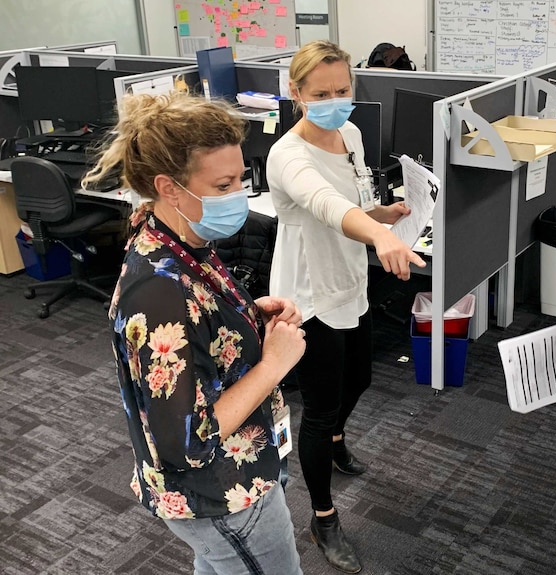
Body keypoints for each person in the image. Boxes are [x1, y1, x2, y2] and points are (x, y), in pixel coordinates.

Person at [86, 92, 307, 575]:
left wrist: (248, 312)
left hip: (234, 479)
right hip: (221, 497)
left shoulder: (178, 237)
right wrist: (274, 365)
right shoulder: (158, 291)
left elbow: (200, 321)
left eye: (241, 180)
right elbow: (187, 443)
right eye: (223, 184)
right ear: (169, 186)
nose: (238, 197)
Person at [266, 40, 426, 574]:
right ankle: (323, 515)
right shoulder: (288, 154)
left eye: (342, 90)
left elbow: (351, 203)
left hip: (349, 278)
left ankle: (336, 441)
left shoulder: (351, 134)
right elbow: (324, 203)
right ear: (296, 93)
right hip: (308, 292)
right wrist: (379, 237)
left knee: (359, 378)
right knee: (319, 406)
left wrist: (383, 214)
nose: (334, 101)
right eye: (321, 93)